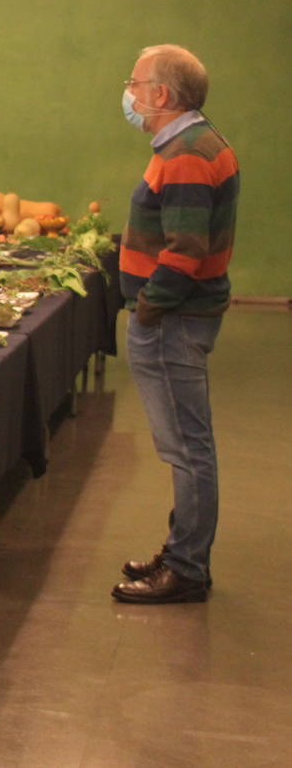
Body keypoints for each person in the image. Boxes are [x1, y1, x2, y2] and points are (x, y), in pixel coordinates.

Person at [111, 45, 239, 605]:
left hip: (173, 321)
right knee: (188, 446)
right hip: (177, 317)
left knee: (187, 449)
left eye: (135, 84)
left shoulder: (189, 153)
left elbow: (185, 250)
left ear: (161, 95)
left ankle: (187, 568)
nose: (130, 94)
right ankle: (183, 548)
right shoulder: (191, 142)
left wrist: (149, 307)